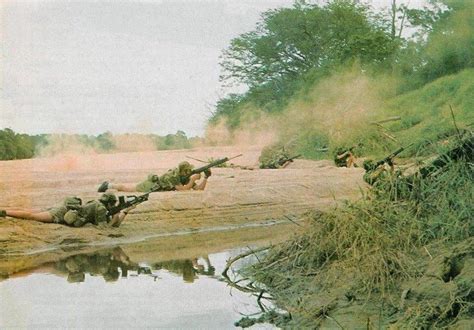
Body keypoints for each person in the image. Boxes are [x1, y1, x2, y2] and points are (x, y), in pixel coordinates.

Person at [0, 192, 134, 228]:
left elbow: (115, 225)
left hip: (64, 208)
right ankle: (4, 212)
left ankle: (5, 211)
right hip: (61, 212)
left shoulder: (100, 206)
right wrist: (115, 217)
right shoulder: (100, 208)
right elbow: (105, 229)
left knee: (31, 212)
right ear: (110, 203)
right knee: (32, 216)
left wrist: (125, 212)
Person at [97, 161, 210, 193]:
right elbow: (182, 189)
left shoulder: (185, 177)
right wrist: (193, 179)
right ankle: (109, 185)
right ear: (182, 171)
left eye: (189, 171)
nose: (188, 173)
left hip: (157, 187)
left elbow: (198, 189)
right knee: (128, 189)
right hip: (151, 185)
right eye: (187, 171)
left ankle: (109, 185)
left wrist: (205, 178)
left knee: (128, 189)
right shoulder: (174, 175)